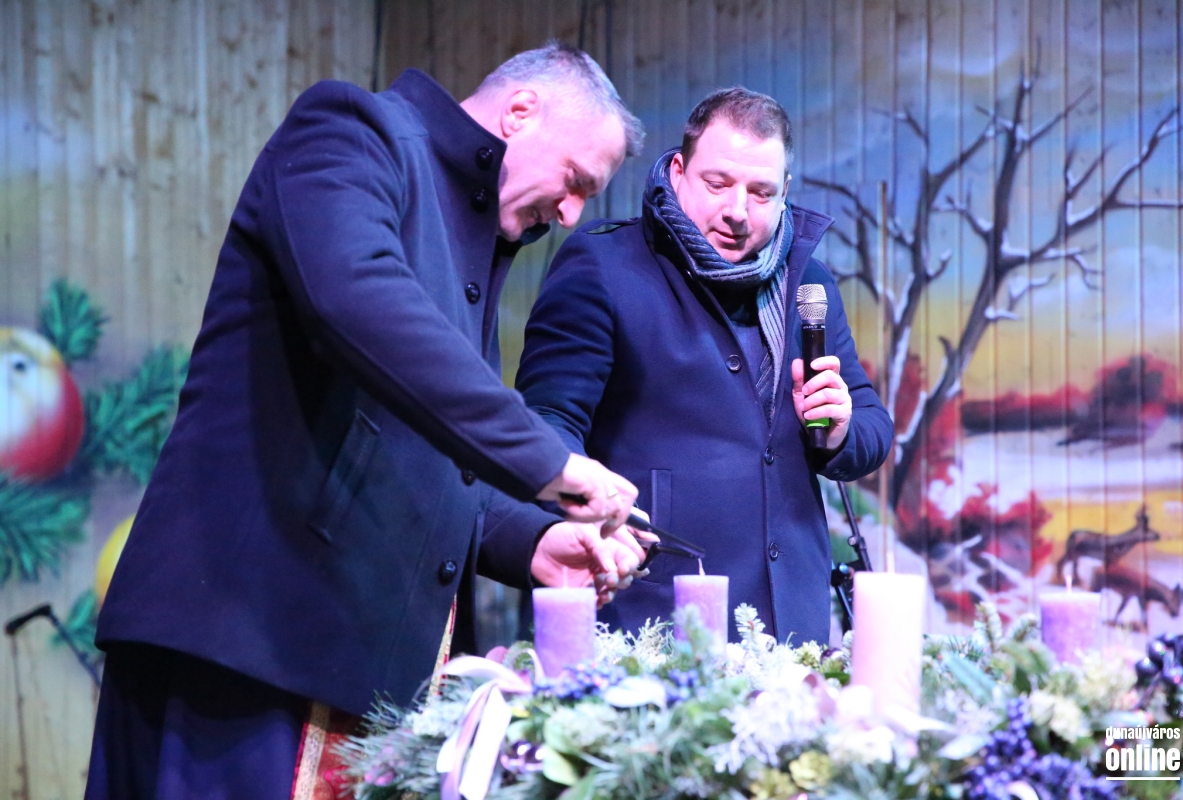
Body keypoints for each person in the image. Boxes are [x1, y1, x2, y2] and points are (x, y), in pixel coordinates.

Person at [86, 43, 649, 799]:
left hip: (342, 662)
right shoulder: (354, 130)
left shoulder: (478, 236)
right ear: (521, 112)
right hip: (250, 641)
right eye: (576, 181)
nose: (573, 213)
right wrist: (553, 463)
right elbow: (359, 302)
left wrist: (537, 541)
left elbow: (429, 457)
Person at [498, 88, 894, 647]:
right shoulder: (604, 265)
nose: (737, 210)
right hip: (651, 616)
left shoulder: (808, 282)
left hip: (792, 622)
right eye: (717, 184)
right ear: (679, 172)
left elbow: (873, 427)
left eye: (761, 192)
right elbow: (547, 422)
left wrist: (841, 432)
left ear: (785, 192)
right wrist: (588, 513)